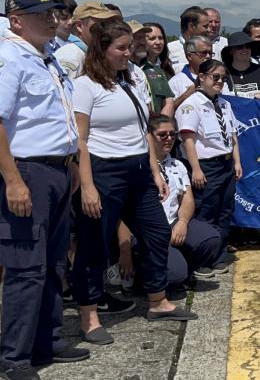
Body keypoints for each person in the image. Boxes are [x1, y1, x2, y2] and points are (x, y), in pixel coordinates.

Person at [71, 19, 196, 346]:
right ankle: (89, 315)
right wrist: (87, 186)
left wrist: (155, 171)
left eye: (130, 48)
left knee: (156, 233)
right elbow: (80, 139)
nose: (128, 54)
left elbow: (144, 128)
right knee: (94, 244)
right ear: (102, 50)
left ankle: (158, 300)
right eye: (121, 48)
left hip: (139, 168)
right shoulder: (85, 85)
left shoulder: (133, 78)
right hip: (103, 170)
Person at [0, 0, 90, 377]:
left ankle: (46, 342)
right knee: (26, 268)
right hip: (27, 171)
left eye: (52, 11)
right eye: (41, 13)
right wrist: (12, 181)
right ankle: (13, 356)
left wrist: (70, 167)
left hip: (56, 169)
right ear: (16, 20)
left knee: (54, 264)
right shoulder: (9, 57)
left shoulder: (48, 57)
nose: (51, 17)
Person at [138, 114, 221, 285]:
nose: (169, 139)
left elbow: (187, 200)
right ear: (149, 136)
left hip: (173, 222)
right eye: (162, 135)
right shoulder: (139, 167)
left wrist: (182, 222)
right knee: (175, 274)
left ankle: (184, 268)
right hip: (149, 229)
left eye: (172, 134)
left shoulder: (177, 165)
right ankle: (144, 279)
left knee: (210, 239)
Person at [176, 59, 242, 271]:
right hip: (206, 166)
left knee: (225, 210)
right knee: (206, 210)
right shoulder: (192, 105)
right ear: (201, 77)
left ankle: (219, 255)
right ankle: (202, 259)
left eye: (223, 78)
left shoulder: (224, 104)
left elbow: (232, 136)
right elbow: (188, 139)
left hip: (226, 164)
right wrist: (196, 169)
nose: (220, 82)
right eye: (215, 77)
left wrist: (237, 161)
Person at [54, 1, 120, 77]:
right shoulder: (70, 57)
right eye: (101, 24)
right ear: (79, 26)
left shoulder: (94, 53)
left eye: (108, 23)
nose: (106, 29)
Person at [220, 32, 260, 99]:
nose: (244, 49)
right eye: (239, 47)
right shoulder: (223, 72)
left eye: (248, 46)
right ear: (231, 51)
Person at [143, 22, 177, 115]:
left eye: (160, 38)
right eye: (152, 38)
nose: (158, 42)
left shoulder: (167, 68)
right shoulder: (138, 69)